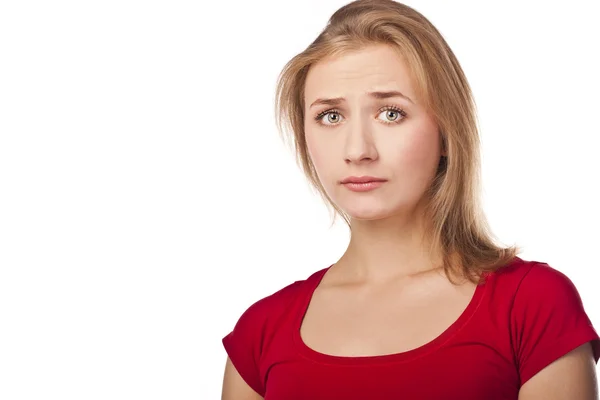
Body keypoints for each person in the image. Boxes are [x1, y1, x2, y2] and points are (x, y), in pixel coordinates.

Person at [220, 0, 600, 398]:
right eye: (331, 116)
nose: (358, 149)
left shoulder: (531, 305)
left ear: (447, 131)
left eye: (390, 113)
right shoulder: (258, 334)